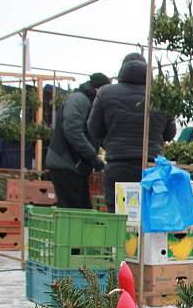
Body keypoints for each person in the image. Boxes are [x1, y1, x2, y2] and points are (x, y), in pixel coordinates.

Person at [88, 53, 177, 212]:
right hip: (151, 166)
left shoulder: (105, 93)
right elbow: (170, 134)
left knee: (118, 215)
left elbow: (93, 129)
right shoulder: (161, 95)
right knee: (150, 216)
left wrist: (109, 141)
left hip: (118, 165)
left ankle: (121, 237)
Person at [45, 72, 111, 208]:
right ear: (98, 89)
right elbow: (72, 131)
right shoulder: (79, 100)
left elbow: (95, 134)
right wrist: (92, 157)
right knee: (73, 211)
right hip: (66, 164)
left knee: (82, 209)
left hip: (75, 166)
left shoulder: (89, 102)